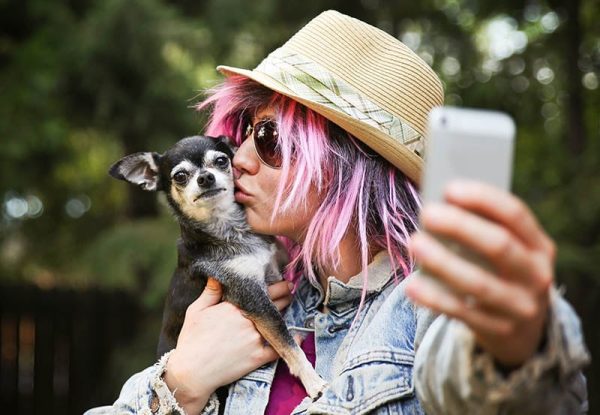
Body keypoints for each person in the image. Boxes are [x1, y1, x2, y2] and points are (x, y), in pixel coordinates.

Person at [86, 10, 590, 415]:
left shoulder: (430, 305)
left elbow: (519, 396)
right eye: (243, 134)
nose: (237, 160)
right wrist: (181, 384)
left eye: (269, 139)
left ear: (349, 167)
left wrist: (522, 343)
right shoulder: (232, 309)